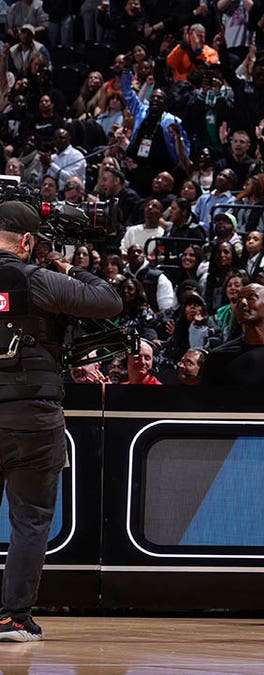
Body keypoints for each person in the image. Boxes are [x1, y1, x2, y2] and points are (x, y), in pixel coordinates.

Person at [0, 201, 121, 641]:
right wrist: (66, 268)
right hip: (33, 415)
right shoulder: (39, 278)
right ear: (28, 242)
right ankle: (12, 617)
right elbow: (109, 302)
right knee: (30, 520)